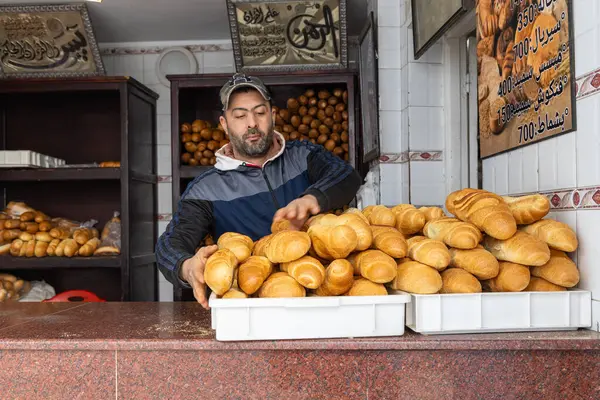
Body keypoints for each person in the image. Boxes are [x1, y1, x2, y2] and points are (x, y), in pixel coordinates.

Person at [156, 72, 362, 308]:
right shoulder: (205, 189)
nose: (252, 123)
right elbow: (168, 246)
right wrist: (185, 266)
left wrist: (311, 198)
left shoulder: (302, 155)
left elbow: (345, 174)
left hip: (322, 295)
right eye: (240, 116)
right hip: (251, 306)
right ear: (224, 124)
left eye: (260, 112)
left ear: (273, 115)